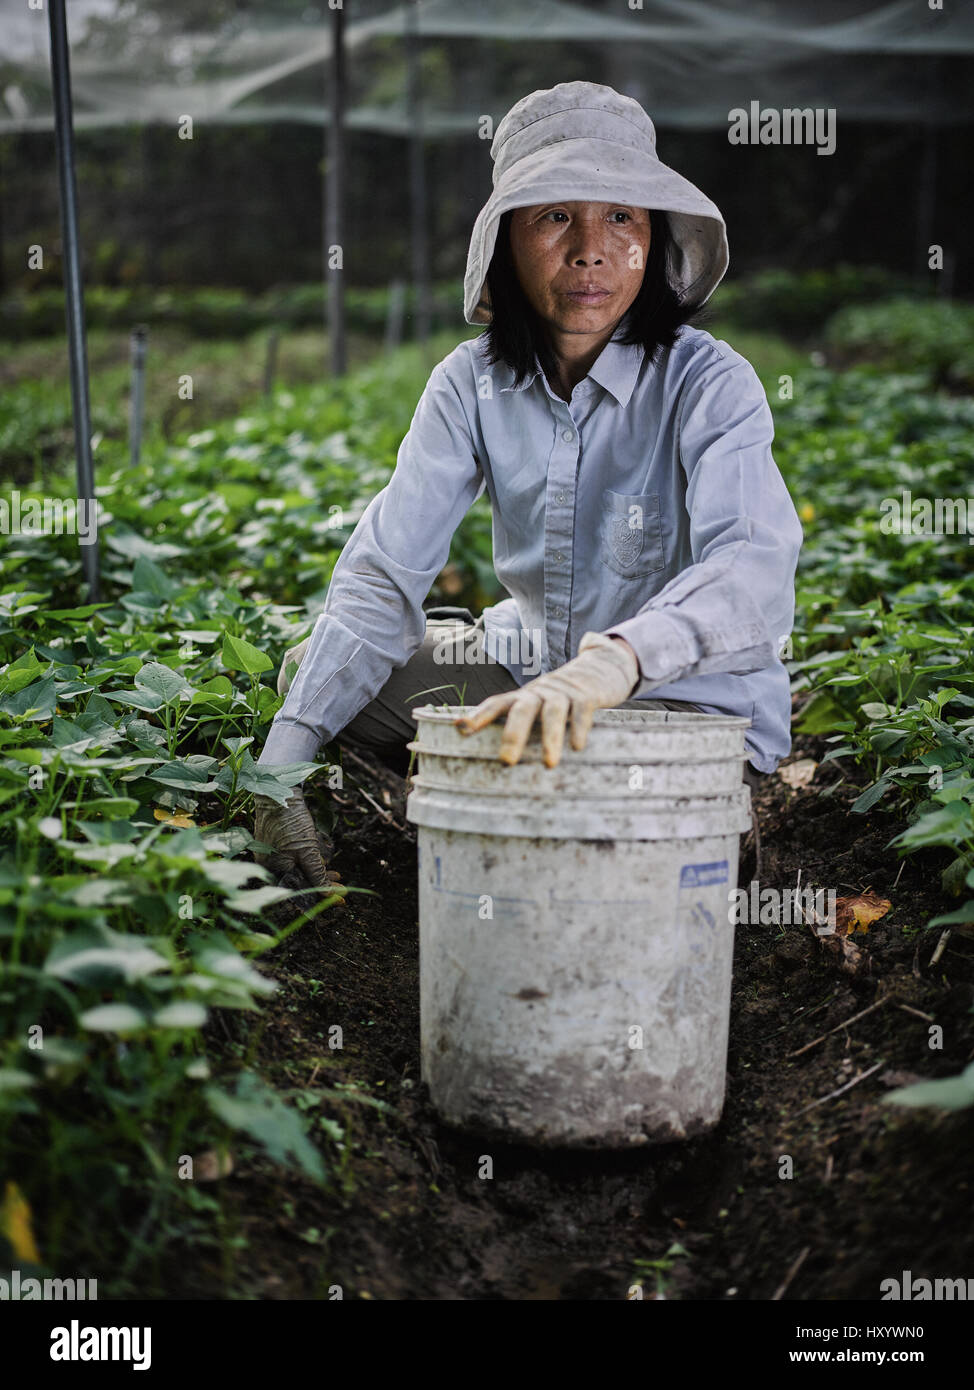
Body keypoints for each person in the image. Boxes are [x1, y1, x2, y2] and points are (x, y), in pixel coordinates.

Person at [252, 80, 803, 889]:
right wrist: (278, 771)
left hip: (684, 708)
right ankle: (483, 795)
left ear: (652, 238)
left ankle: (556, 809)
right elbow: (382, 572)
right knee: (313, 673)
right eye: (555, 216)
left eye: (622, 216)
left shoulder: (710, 382)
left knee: (555, 806)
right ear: (507, 240)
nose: (591, 249)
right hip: (533, 666)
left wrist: (615, 662)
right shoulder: (468, 384)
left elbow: (752, 569)